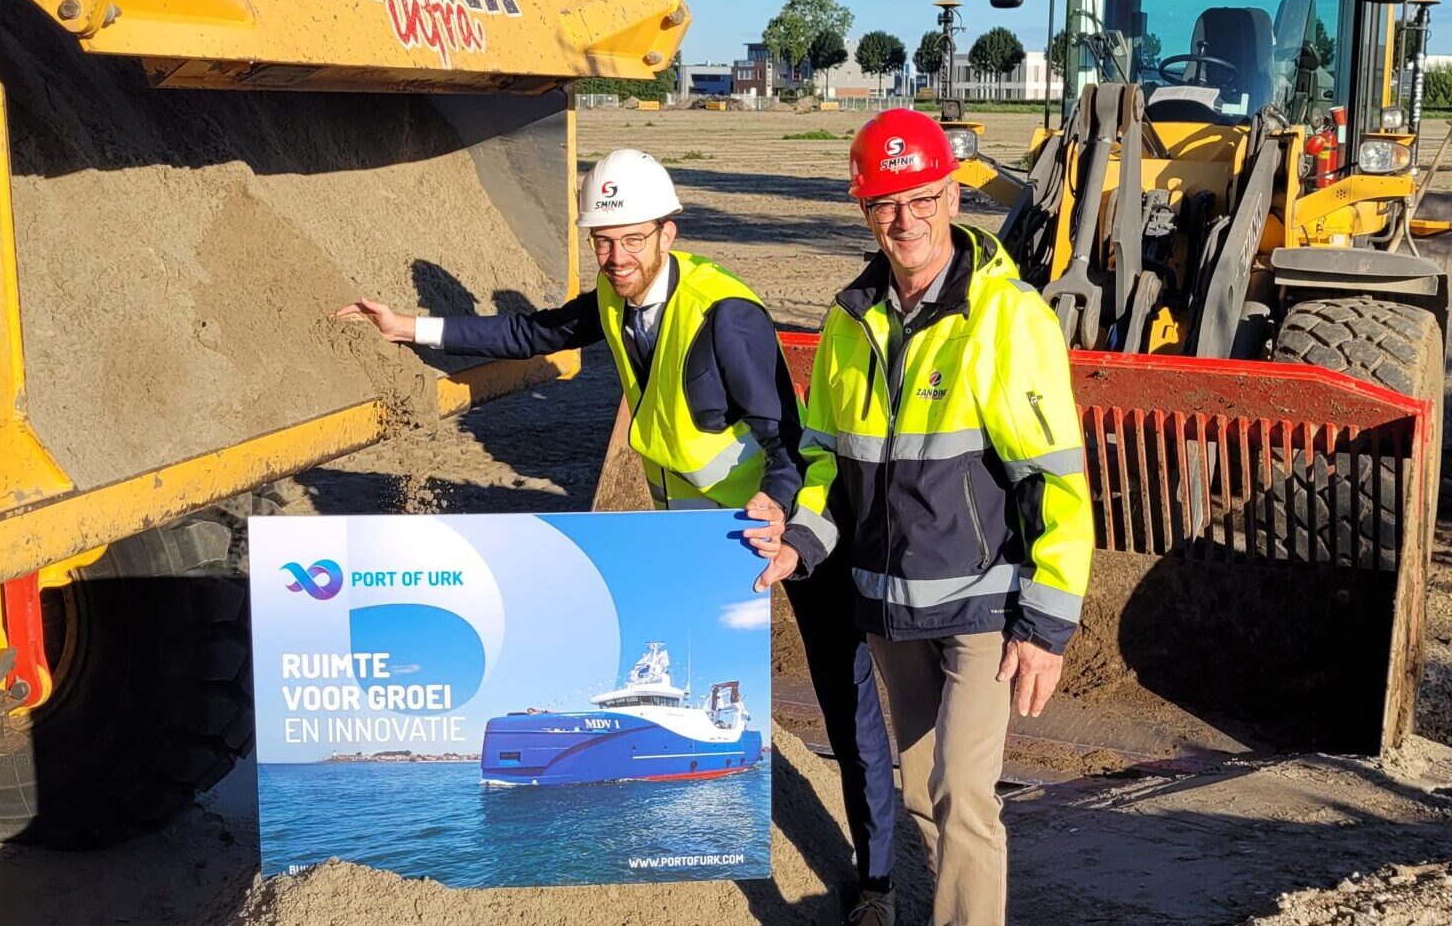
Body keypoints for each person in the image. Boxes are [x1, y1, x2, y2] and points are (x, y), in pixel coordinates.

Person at [337, 147, 902, 923]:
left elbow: (789, 442)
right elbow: (532, 331)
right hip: (698, 539)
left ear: (668, 232)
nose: (617, 257)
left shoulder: (725, 317)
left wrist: (781, 522)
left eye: (633, 239)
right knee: (690, 684)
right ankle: (690, 854)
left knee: (843, 695)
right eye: (603, 240)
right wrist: (412, 327)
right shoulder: (610, 294)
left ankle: (876, 879)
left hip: (785, 525)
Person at [756, 110, 1094, 926]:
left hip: (981, 601)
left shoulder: (1008, 318)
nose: (904, 220)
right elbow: (829, 460)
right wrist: (800, 539)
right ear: (862, 208)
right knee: (917, 793)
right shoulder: (849, 322)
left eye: (920, 198)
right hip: (884, 603)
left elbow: (1053, 480)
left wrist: (1046, 625)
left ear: (951, 195)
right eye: (884, 203)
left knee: (962, 790)